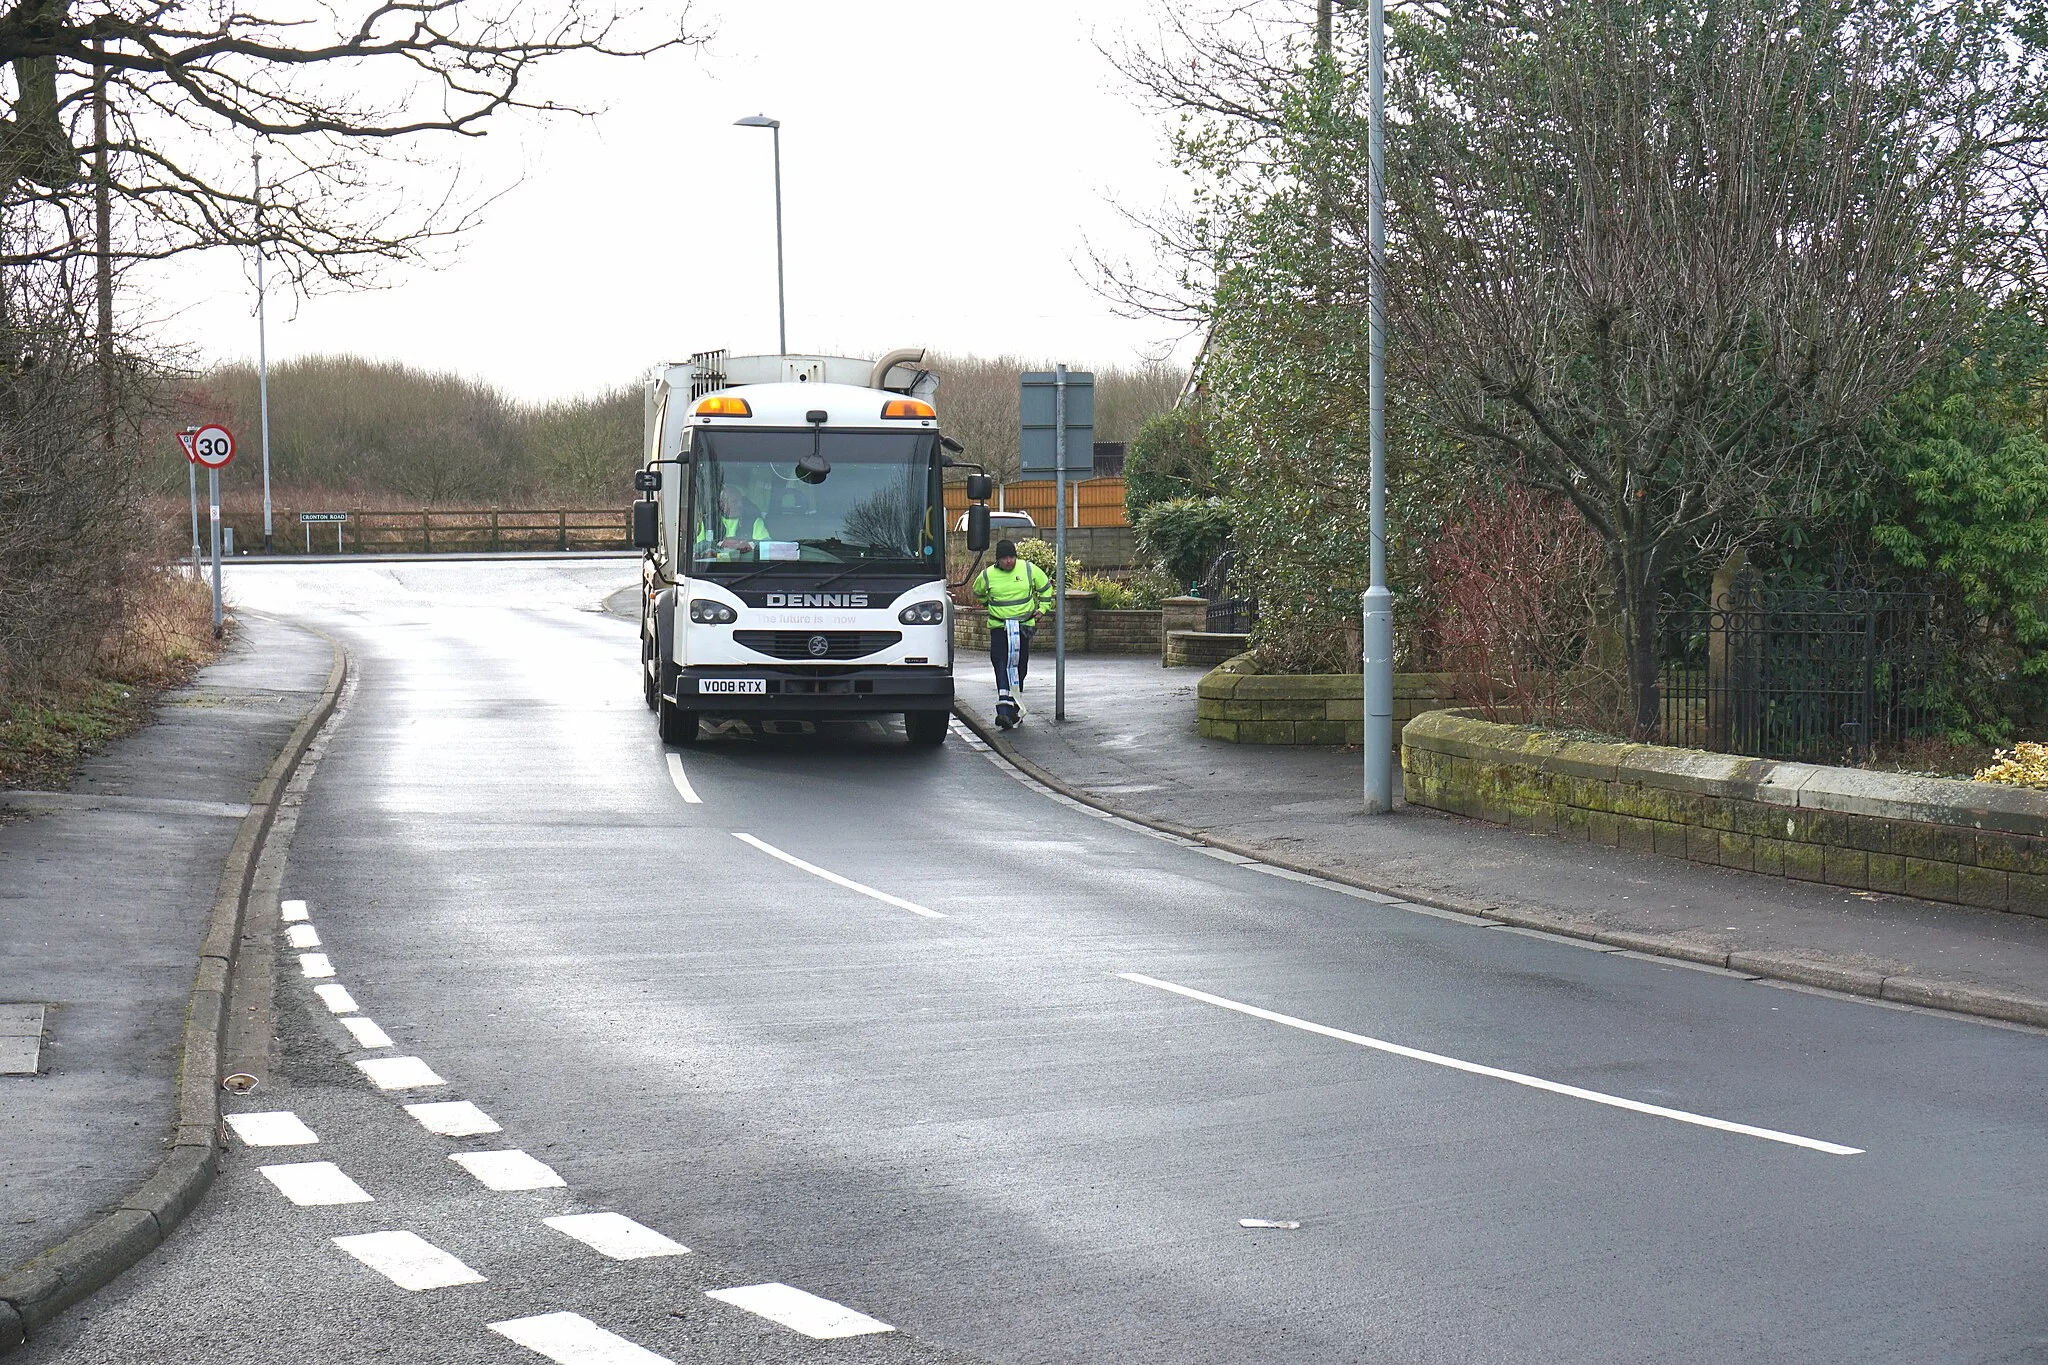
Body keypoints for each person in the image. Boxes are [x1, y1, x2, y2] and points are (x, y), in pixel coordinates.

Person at [971, 539, 1054, 719]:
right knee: (1001, 661)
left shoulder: (1028, 569)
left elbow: (1046, 588)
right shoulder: (987, 575)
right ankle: (1004, 706)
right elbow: (978, 592)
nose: (1009, 561)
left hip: (1023, 626)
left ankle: (1014, 704)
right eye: (1004, 558)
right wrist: (989, 605)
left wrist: (1042, 609)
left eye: (1011, 557)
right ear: (997, 560)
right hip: (1000, 627)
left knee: (1019, 665)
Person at [701, 487, 769, 556]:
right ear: (722, 504)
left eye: (741, 501)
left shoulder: (755, 522)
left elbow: (767, 546)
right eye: (734, 502)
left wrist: (751, 544)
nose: (740, 505)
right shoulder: (707, 521)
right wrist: (716, 545)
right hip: (714, 566)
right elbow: (696, 547)